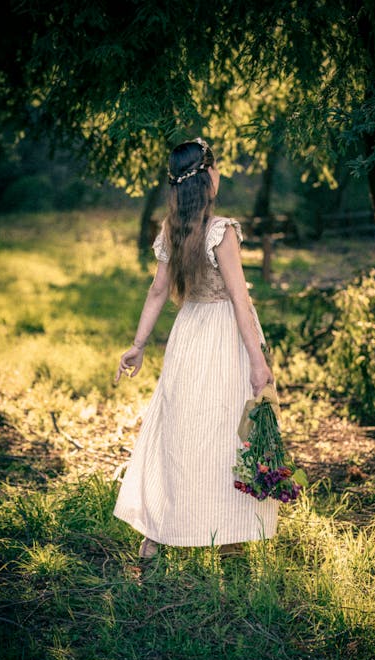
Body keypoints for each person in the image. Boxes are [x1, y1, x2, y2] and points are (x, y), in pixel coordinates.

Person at [113, 137, 278, 558]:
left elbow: (157, 292)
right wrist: (258, 362)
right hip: (224, 337)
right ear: (207, 177)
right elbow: (240, 300)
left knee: (182, 433)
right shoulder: (221, 231)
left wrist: (138, 345)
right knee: (226, 434)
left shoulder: (173, 230)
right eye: (217, 167)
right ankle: (230, 544)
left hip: (188, 336)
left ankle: (157, 539)